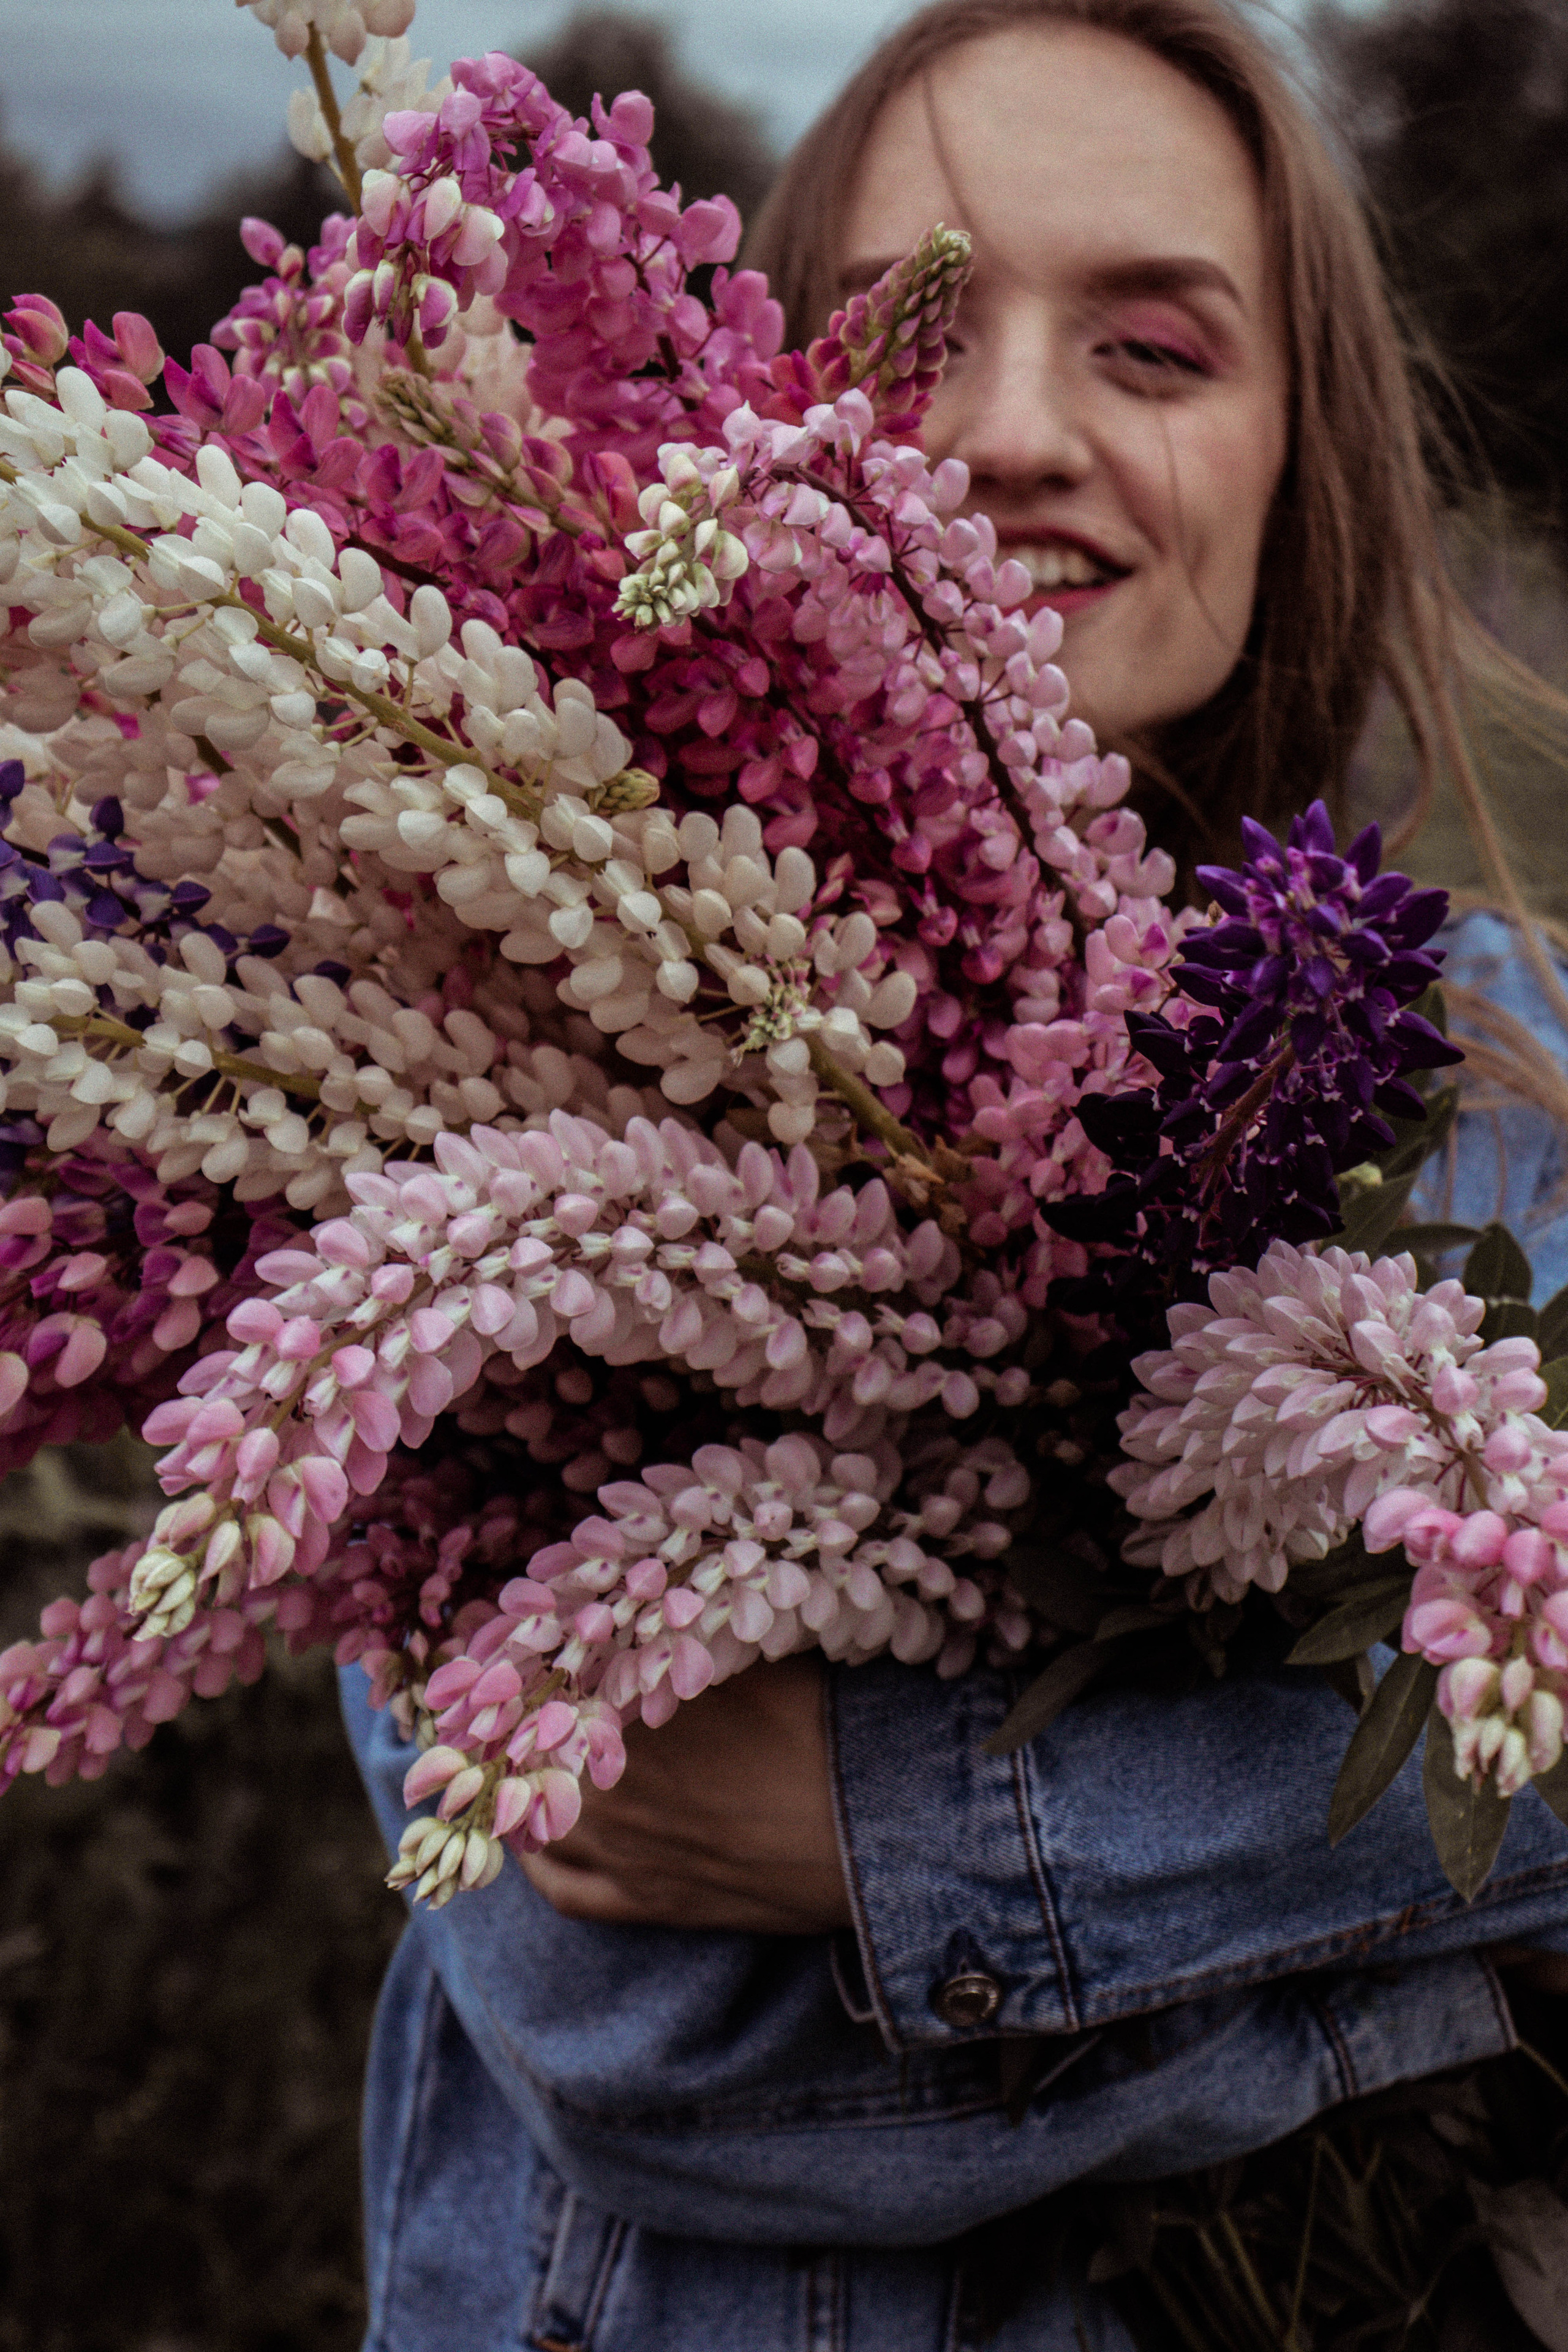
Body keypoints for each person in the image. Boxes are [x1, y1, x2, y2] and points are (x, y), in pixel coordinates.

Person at [342, 5, 1568, 2346]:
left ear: (1302, 445)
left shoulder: (1508, 1079)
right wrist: (1444, 1916)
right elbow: (649, 2050)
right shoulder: (487, 1065)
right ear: (736, 413)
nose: (1012, 437)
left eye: (1153, 346)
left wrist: (891, 1844)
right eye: (913, 332)